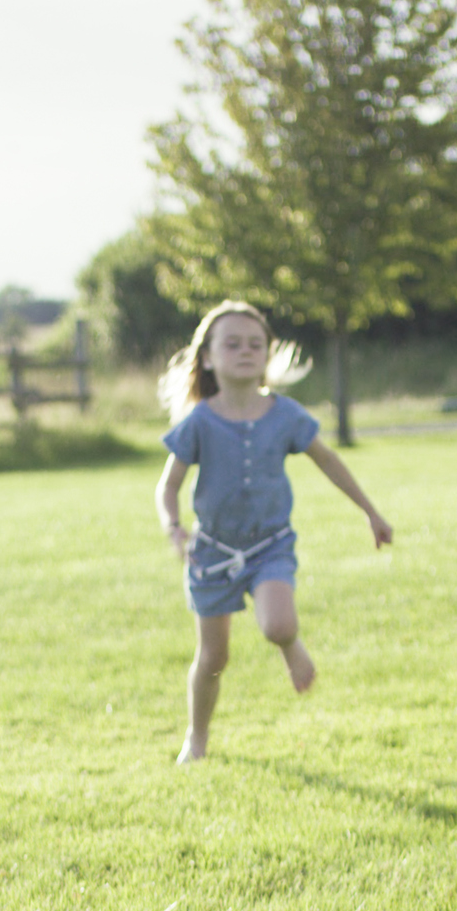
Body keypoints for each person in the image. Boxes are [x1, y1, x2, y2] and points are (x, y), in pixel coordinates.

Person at [154, 302, 393, 762]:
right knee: (213, 658)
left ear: (267, 354)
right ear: (207, 358)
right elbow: (169, 485)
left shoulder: (286, 416)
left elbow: (327, 460)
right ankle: (196, 739)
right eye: (232, 344)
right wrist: (173, 528)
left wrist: (370, 511)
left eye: (255, 344)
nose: (245, 351)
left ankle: (291, 646)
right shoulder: (199, 422)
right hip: (213, 553)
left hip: (270, 545)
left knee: (278, 624)